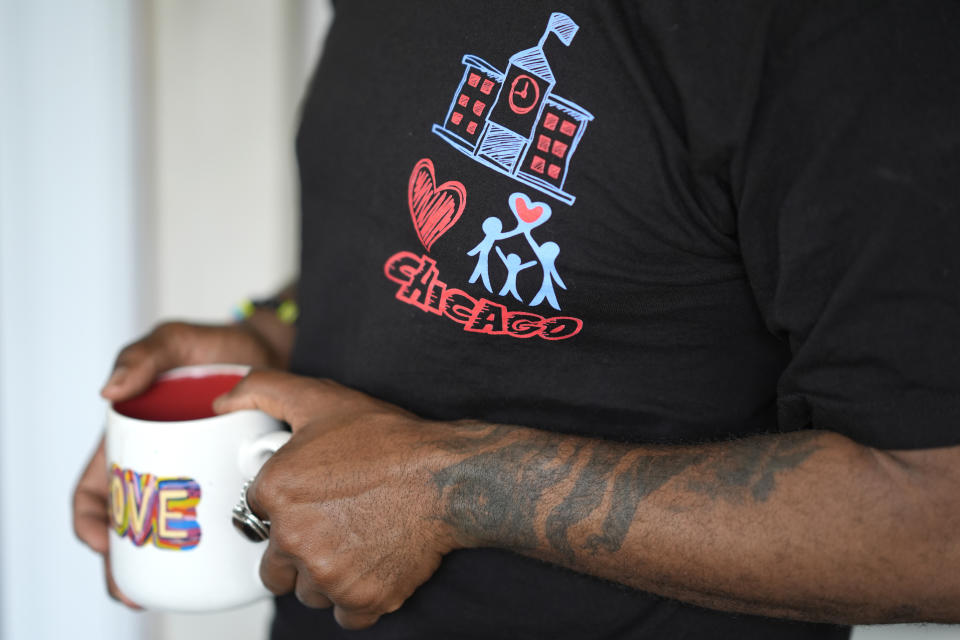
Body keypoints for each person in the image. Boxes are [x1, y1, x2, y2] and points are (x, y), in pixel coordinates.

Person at [74, 2, 960, 639]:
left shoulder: (849, 34)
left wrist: (454, 485)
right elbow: (433, 246)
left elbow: (938, 522)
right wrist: (272, 329)